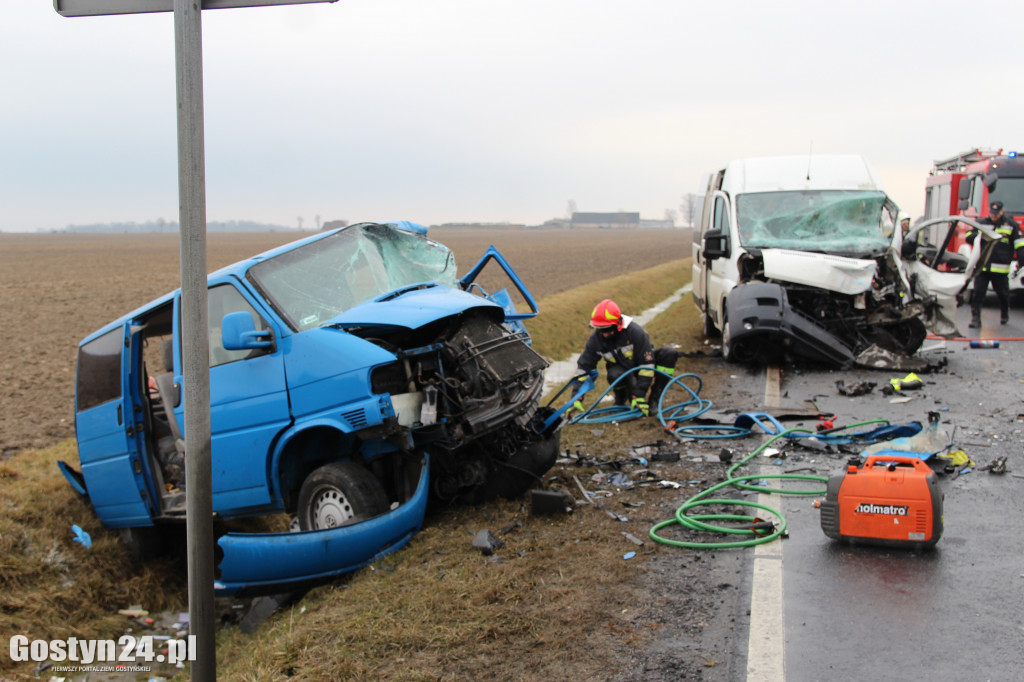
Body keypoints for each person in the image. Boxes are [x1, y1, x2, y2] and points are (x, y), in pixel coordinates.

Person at [575, 299, 678, 416]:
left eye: (607, 329)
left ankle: (655, 399)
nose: (604, 334)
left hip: (643, 366)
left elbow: (647, 366)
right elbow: (584, 368)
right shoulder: (595, 340)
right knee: (614, 374)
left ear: (618, 325)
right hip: (622, 370)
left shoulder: (635, 333)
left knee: (669, 354)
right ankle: (621, 398)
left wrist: (639, 395)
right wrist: (576, 397)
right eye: (600, 329)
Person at [966, 200, 1024, 327]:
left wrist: (1021, 261)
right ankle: (975, 319)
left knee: (1003, 295)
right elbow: (968, 236)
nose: (994, 216)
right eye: (992, 213)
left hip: (1001, 269)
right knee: (978, 293)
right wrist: (978, 236)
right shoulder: (982, 223)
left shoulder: (1011, 225)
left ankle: (1004, 313)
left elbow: (1020, 245)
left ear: (1002, 212)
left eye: (997, 213)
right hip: (983, 267)